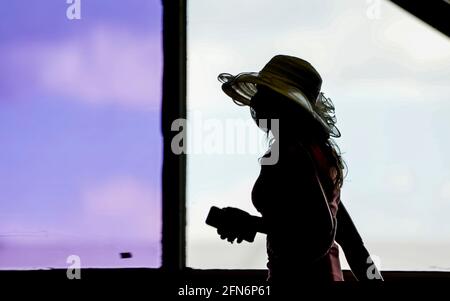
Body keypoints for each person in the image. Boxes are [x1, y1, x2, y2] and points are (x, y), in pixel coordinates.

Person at [214, 55, 383, 284]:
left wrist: (248, 224)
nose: (256, 102)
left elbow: (319, 230)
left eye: (265, 93)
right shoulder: (317, 152)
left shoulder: (292, 154)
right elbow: (345, 235)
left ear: (282, 104)